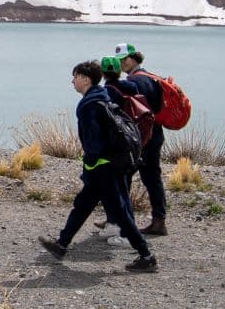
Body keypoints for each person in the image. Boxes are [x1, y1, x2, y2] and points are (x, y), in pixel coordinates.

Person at [40, 60, 157, 271]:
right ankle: (61, 244)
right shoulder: (102, 98)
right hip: (111, 164)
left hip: (103, 167)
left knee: (119, 212)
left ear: (86, 79)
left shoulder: (88, 106)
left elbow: (93, 141)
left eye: (75, 77)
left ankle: (146, 255)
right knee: (83, 205)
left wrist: (91, 161)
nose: (72, 81)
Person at [115, 43, 167, 237]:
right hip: (155, 134)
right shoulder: (152, 79)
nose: (122, 63)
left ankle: (119, 218)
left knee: (123, 175)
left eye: (124, 59)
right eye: (119, 60)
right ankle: (159, 220)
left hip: (139, 137)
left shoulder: (134, 82)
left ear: (134, 59)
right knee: (152, 177)